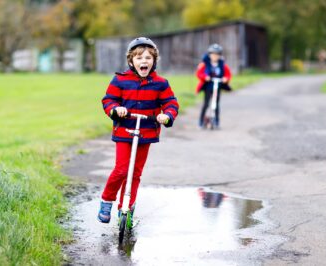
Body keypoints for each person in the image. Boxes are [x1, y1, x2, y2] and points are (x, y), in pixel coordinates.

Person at [98, 37, 179, 223]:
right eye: (139, 58)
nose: (144, 61)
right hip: (124, 131)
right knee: (121, 169)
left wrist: (167, 115)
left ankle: (126, 207)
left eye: (148, 58)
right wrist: (115, 109)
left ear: (154, 61)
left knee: (135, 173)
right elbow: (108, 99)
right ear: (131, 61)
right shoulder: (120, 80)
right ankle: (107, 200)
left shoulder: (160, 83)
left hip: (147, 132)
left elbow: (170, 102)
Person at [195, 43, 232, 128]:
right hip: (208, 86)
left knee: (216, 104)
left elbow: (228, 74)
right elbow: (199, 73)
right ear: (210, 54)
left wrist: (225, 79)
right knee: (206, 103)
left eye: (217, 55)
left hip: (217, 86)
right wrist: (205, 77)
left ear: (220, 55)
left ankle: (216, 121)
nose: (215, 56)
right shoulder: (205, 64)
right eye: (213, 54)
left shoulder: (222, 65)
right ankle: (201, 121)